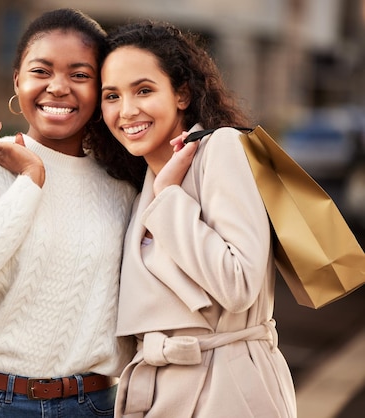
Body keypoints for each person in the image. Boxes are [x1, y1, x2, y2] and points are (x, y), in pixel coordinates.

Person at [0, 8, 142, 418]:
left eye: (80, 75)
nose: (58, 87)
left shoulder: (123, 180)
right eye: (42, 71)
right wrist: (31, 177)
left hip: (95, 404)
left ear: (102, 89)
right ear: (18, 81)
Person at [96, 21, 297, 417]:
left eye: (144, 90)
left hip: (227, 389)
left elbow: (239, 283)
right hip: (159, 393)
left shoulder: (221, 148)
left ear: (182, 93)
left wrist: (170, 198)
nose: (127, 110)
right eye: (111, 96)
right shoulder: (147, 181)